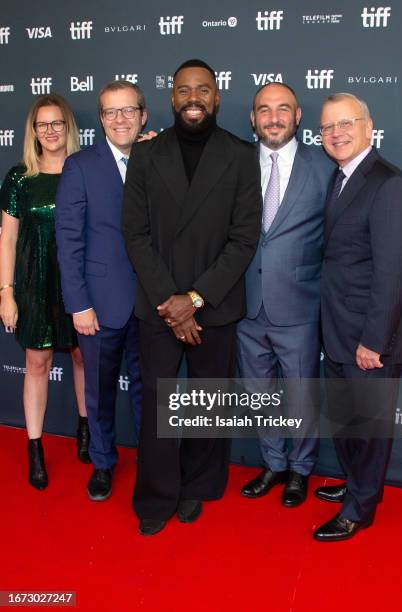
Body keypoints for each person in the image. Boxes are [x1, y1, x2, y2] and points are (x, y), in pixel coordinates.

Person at [122, 58, 262, 536]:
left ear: (217, 97)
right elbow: (134, 234)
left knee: (206, 402)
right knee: (158, 407)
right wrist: (172, 301)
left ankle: (198, 487)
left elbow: (244, 239)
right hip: (159, 305)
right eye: (184, 90)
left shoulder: (242, 155)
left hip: (214, 304)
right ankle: (157, 495)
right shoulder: (146, 155)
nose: (193, 98)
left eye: (203, 89)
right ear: (172, 97)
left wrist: (196, 298)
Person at [313, 92, 402, 541]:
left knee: (368, 429)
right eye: (328, 127)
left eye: (346, 123)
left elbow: (393, 273)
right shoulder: (342, 177)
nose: (337, 133)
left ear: (369, 126)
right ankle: (356, 486)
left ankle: (360, 507)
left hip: (369, 337)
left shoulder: (387, 183)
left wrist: (374, 340)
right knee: (348, 421)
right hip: (336, 329)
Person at [56, 80, 154, 503]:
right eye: (111, 112)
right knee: (98, 392)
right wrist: (78, 304)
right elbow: (69, 240)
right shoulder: (81, 166)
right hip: (99, 305)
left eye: (128, 110)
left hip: (152, 305)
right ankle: (102, 463)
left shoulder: (157, 159)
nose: (120, 119)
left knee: (149, 391)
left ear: (143, 116)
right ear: (100, 119)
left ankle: (153, 463)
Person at [237, 83, 334, 507]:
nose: (273, 118)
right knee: (258, 394)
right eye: (264, 110)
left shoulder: (325, 166)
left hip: (299, 303)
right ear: (252, 118)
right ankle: (274, 463)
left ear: (297, 117)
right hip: (246, 304)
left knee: (300, 395)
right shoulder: (235, 163)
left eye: (282, 110)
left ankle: (300, 469)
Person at [0, 93, 88, 491]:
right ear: (33, 131)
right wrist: (6, 293)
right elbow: (7, 239)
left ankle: (87, 432)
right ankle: (34, 447)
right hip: (35, 284)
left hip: (79, 284)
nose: (50, 131)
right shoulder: (21, 178)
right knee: (36, 365)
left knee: (84, 359)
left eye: (57, 123)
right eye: (42, 124)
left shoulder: (85, 170)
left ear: (67, 127)